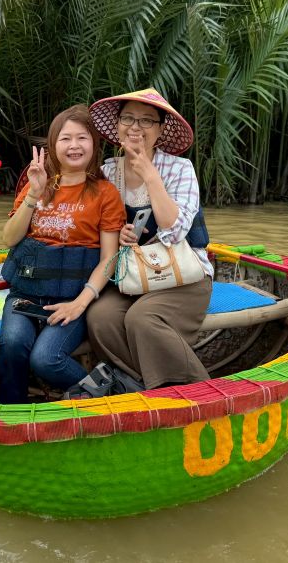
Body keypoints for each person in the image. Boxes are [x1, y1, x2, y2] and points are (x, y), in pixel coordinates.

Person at [84, 88, 213, 391]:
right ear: (117, 125)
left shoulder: (180, 169)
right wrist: (119, 234)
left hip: (182, 278)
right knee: (100, 318)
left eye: (146, 121)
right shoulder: (107, 172)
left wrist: (150, 175)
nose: (135, 127)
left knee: (142, 318)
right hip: (131, 277)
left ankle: (196, 389)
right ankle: (139, 385)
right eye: (128, 118)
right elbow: (95, 234)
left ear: (160, 129)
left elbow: (175, 229)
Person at [0, 105, 125, 403]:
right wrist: (33, 193)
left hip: (73, 296)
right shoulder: (38, 185)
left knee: (46, 359)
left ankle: (111, 394)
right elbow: (9, 238)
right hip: (26, 293)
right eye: (66, 138)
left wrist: (80, 304)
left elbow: (110, 258)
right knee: (12, 344)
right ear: (53, 146)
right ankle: (13, 418)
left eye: (82, 138)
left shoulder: (105, 193)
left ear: (94, 144)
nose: (74, 145)